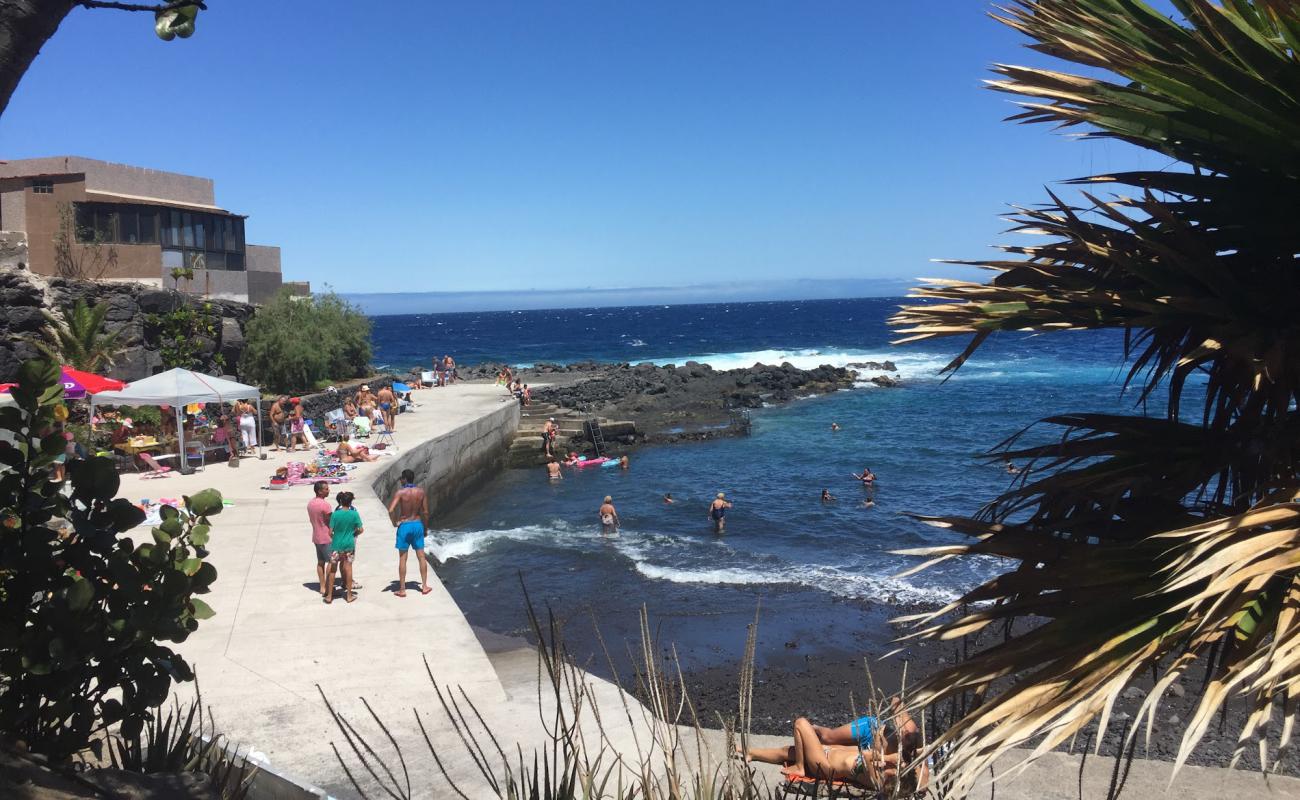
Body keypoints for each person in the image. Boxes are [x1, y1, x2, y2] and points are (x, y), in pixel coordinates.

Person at [387, 468, 432, 597]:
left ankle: (402, 589)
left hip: (405, 525)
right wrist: (425, 528)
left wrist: (394, 522)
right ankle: (424, 586)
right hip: (417, 524)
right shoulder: (421, 492)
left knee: (403, 558)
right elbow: (426, 512)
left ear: (405, 479)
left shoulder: (401, 493)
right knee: (421, 556)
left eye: (401, 478)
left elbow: (391, 510)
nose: (401, 480)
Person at [324, 490, 363, 604]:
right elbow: (361, 529)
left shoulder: (335, 514)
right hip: (349, 545)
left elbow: (330, 532)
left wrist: (336, 537)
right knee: (348, 568)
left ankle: (329, 595)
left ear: (340, 501)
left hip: (336, 545)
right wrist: (353, 534)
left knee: (332, 570)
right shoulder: (354, 514)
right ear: (351, 502)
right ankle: (349, 595)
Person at [307, 481, 333, 597]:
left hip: (316, 536)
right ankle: (328, 586)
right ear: (320, 491)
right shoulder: (325, 505)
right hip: (326, 537)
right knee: (331, 562)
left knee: (320, 562)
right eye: (326, 489)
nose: (328, 491)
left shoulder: (310, 503)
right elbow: (331, 521)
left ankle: (322, 586)